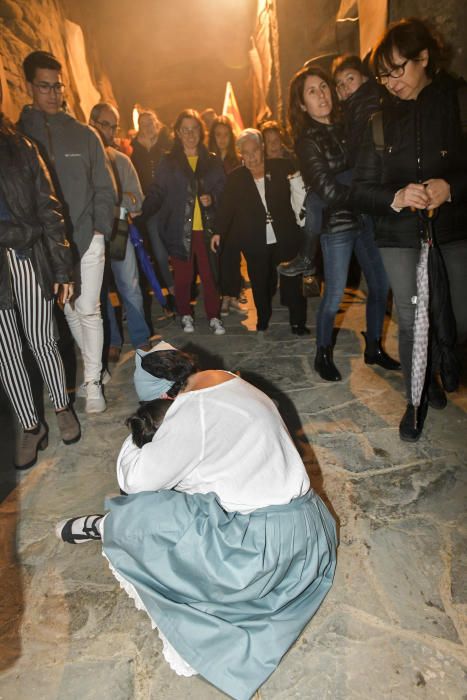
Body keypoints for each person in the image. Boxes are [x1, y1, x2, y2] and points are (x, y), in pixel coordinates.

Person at [56, 345, 337, 700]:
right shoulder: (234, 382)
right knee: (192, 492)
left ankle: (104, 527)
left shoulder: (191, 412)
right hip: (310, 537)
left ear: (162, 398)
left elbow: (133, 481)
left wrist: (139, 435)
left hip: (264, 558)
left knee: (145, 511)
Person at [352, 17, 467, 441]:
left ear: (424, 58)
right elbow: (360, 189)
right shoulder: (377, 118)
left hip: (452, 228)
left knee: (459, 312)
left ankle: (438, 366)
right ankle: (415, 397)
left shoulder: (458, 101)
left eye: (396, 69)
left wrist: (450, 187)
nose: (388, 81)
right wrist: (396, 197)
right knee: (412, 313)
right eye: (382, 72)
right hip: (398, 233)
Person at [19, 51, 117, 414]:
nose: (52, 93)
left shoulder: (84, 134)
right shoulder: (19, 135)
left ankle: (92, 383)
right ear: (30, 86)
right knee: (71, 311)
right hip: (49, 246)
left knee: (88, 309)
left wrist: (99, 230)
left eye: (57, 86)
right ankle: (96, 366)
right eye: (44, 86)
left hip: (87, 238)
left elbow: (105, 188)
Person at [287, 65, 399, 378]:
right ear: (301, 104)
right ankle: (322, 352)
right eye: (312, 91)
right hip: (337, 227)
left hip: (364, 218)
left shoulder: (349, 125)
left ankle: (374, 346)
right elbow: (328, 190)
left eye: (324, 87)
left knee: (380, 285)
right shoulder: (306, 141)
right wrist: (367, 192)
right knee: (334, 295)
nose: (322, 95)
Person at [0, 108, 80, 469]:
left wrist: (63, 266)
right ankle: (31, 426)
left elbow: (49, 207)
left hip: (25, 254)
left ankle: (61, 407)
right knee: (6, 352)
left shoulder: (20, 147)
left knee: (41, 339)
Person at [213, 128, 309, 336]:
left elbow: (299, 194)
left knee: (292, 279)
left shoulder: (282, 167)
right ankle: (263, 319)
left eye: (254, 151)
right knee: (260, 281)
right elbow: (227, 207)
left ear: (262, 149)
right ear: (241, 155)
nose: (251, 157)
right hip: (254, 238)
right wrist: (218, 231)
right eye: (246, 153)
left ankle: (297, 321)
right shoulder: (236, 178)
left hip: (285, 233)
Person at [142, 109, 226, 335]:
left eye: (194, 129)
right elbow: (158, 191)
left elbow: (223, 189)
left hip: (207, 229)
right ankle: (185, 314)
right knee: (183, 277)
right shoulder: (169, 162)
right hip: (179, 229)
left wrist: (213, 198)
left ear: (201, 131)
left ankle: (214, 316)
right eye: (185, 130)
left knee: (210, 276)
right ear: (177, 133)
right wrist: (141, 211)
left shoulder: (212, 161)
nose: (190, 134)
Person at [89, 102, 152, 361]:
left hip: (118, 232)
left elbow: (137, 199)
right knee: (98, 291)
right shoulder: (84, 158)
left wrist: (110, 199)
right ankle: (112, 340)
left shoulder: (121, 161)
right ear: (92, 123)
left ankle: (140, 337)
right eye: (106, 125)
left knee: (130, 286)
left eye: (114, 126)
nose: (111, 132)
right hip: (90, 234)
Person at [131, 109, 175, 310]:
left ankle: (181, 288)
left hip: (170, 204)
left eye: (151, 122)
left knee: (177, 249)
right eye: (143, 123)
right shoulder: (133, 149)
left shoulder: (167, 145)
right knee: (158, 253)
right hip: (149, 208)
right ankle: (173, 291)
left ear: (157, 124)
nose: (148, 126)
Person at [207, 115, 246, 317]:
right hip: (212, 215)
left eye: (225, 135)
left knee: (232, 257)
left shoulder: (237, 160)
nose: (222, 139)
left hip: (233, 216)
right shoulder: (208, 160)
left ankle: (231, 297)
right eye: (218, 135)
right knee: (217, 258)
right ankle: (222, 296)